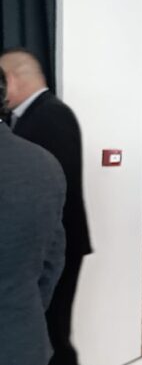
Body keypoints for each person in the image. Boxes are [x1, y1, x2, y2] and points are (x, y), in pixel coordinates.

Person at [0, 49, 89, 365]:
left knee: (60, 336)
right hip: (22, 334)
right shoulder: (40, 159)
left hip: (40, 252)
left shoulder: (52, 116)